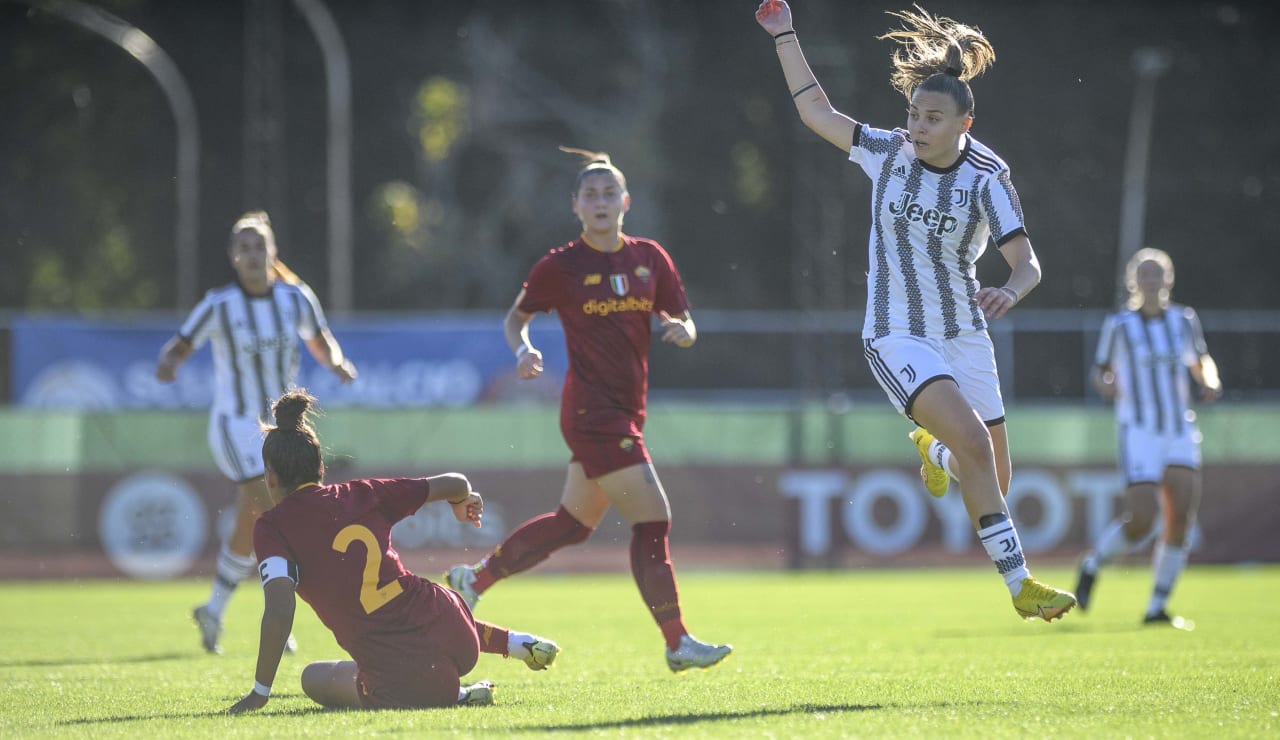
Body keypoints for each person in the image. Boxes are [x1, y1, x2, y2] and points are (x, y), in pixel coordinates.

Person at [756, 1, 1076, 620]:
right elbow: (815, 112)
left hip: (964, 332)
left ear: (966, 122)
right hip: (896, 333)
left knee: (994, 481)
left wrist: (1010, 290)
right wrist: (784, 35)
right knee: (977, 447)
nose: (918, 127)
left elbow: (1027, 263)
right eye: (913, 114)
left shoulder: (988, 176)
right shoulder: (888, 153)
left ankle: (932, 452)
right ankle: (1022, 586)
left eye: (932, 118)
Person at [444, 147, 732, 672]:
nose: (600, 202)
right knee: (654, 518)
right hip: (592, 413)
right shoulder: (561, 265)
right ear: (575, 205)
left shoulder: (650, 258)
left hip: (628, 410)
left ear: (626, 201)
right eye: (590, 194)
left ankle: (475, 579)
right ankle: (677, 640)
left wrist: (683, 332)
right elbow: (517, 318)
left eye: (608, 193)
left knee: (572, 524)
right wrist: (523, 350)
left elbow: (684, 319)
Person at [227, 390, 559, 713]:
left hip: (406, 673)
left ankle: (458, 694)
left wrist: (260, 692)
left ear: (270, 478)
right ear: (322, 468)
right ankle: (516, 643)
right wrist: (462, 503)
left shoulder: (273, 526)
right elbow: (456, 482)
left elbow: (281, 609)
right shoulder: (363, 492)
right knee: (415, 610)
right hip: (455, 628)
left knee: (313, 677)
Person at [155, 210, 358, 654]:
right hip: (235, 423)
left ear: (272, 253)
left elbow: (321, 340)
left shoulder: (296, 299)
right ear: (232, 256)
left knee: (257, 517)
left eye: (258, 246)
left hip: (281, 426)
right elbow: (181, 344)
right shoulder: (219, 305)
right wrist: (169, 363)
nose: (251, 254)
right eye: (243, 247)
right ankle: (282, 615)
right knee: (277, 507)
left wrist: (337, 364)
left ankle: (214, 609)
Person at [1075, 248, 1221, 627]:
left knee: (1180, 517)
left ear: (1168, 280)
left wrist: (1209, 381)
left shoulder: (1184, 321)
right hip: (1139, 430)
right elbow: (1100, 371)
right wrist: (1105, 385)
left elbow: (1200, 360)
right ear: (1134, 281)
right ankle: (1092, 565)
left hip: (1179, 428)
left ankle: (1157, 606)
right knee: (1141, 519)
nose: (1152, 281)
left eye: (1158, 274)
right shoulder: (1121, 325)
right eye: (1145, 274)